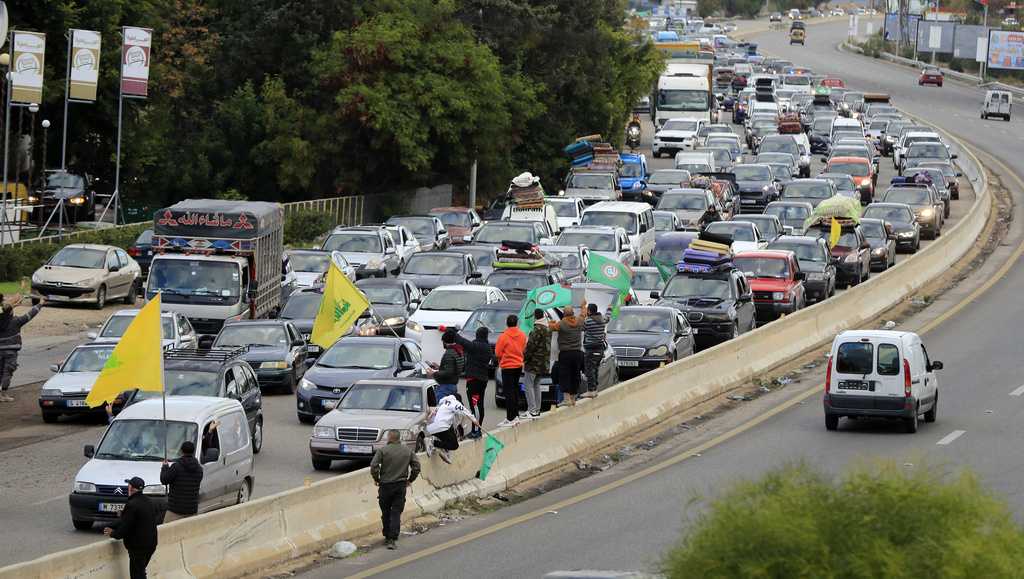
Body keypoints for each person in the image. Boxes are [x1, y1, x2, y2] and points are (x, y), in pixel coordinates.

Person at [370, 430, 421, 550]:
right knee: (396, 511)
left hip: (385, 486)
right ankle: (393, 537)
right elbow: (417, 467)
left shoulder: (383, 450)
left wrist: (376, 478)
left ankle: (387, 536)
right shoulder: (407, 451)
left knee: (386, 511)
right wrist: (410, 480)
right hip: (400, 485)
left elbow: (373, 466)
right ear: (399, 438)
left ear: (389, 437)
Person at [103, 476, 159, 579]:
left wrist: (112, 533)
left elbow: (124, 528)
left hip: (138, 548)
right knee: (140, 571)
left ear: (131, 488)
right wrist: (119, 519)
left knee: (136, 575)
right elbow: (131, 518)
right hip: (151, 545)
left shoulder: (132, 504)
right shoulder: (149, 501)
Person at [0, 295, 43, 402]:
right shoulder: (16, 321)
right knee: (7, 372)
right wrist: (40, 304)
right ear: (10, 312)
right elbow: (30, 314)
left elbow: (4, 311)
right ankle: (3, 394)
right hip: (11, 352)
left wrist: (13, 305)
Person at [453, 326, 494, 439]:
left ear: (477, 335)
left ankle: (476, 431)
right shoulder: (488, 347)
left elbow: (461, 341)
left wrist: (451, 331)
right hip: (482, 380)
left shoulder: (475, 346)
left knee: (475, 406)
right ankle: (476, 429)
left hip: (474, 381)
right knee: (479, 405)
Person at [425, 393, 478, 464]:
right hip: (441, 427)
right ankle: (432, 442)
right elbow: (464, 410)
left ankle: (444, 450)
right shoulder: (454, 402)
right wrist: (474, 420)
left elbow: (431, 415)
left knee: (450, 433)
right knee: (454, 445)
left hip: (431, 429)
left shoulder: (442, 404)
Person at [494, 315, 527, 426]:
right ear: (517, 323)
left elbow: (497, 353)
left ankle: (510, 417)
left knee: (508, 393)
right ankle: (516, 415)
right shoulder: (522, 335)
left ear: (507, 323)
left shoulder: (503, 337)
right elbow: (524, 349)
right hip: (518, 365)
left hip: (507, 366)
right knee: (514, 390)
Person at [160, 441, 204, 523]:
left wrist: (165, 467)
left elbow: (164, 480)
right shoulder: (199, 469)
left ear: (181, 451)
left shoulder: (176, 467)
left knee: (166, 533)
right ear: (193, 451)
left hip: (175, 510)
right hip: (191, 510)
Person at [549, 305, 584, 407]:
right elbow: (583, 315)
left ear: (564, 314)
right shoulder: (579, 321)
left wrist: (551, 322)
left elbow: (551, 328)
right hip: (577, 353)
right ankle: (573, 398)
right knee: (575, 375)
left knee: (565, 376)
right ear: (573, 313)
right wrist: (583, 306)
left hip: (565, 354)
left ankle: (566, 399)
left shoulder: (562, 323)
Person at [522, 309, 551, 419]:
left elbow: (530, 347)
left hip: (534, 363)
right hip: (543, 363)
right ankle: (537, 409)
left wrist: (524, 358)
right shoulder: (547, 329)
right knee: (537, 385)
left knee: (528, 385)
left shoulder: (536, 329)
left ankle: (532, 410)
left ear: (535, 317)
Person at [582, 302, 609, 398]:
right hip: (600, 348)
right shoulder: (602, 319)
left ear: (589, 311)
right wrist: (609, 309)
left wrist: (583, 315)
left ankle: (591, 390)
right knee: (595, 369)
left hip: (590, 348)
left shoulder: (588, 321)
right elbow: (608, 318)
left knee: (589, 370)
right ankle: (595, 389)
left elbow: (581, 328)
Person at [430, 328, 465, 400]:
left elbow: (448, 372)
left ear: (445, 342)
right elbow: (453, 368)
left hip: (446, 387)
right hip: (452, 385)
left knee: (439, 408)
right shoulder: (458, 350)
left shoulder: (449, 353)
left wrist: (433, 373)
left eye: (443, 341)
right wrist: (439, 368)